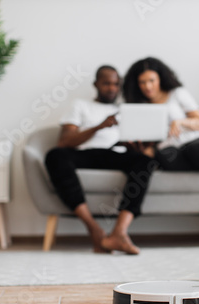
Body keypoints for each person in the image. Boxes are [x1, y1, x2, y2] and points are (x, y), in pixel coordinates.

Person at [45, 65, 153, 255]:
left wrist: (134, 146)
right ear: (96, 84)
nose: (112, 88)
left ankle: (119, 233)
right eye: (106, 83)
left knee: (145, 161)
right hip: (84, 153)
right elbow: (64, 141)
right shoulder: (80, 105)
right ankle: (94, 229)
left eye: (116, 84)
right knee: (55, 155)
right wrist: (99, 126)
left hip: (114, 153)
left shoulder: (124, 109)